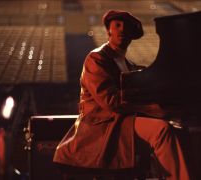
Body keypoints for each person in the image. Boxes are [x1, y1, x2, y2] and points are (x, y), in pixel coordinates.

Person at [53, 10, 190, 180]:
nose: (122, 30)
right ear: (108, 30)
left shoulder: (129, 65)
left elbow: (140, 96)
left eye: (126, 27)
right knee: (161, 130)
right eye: (117, 25)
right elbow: (110, 101)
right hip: (103, 125)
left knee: (180, 129)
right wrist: (152, 110)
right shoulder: (96, 59)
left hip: (122, 120)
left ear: (132, 35)